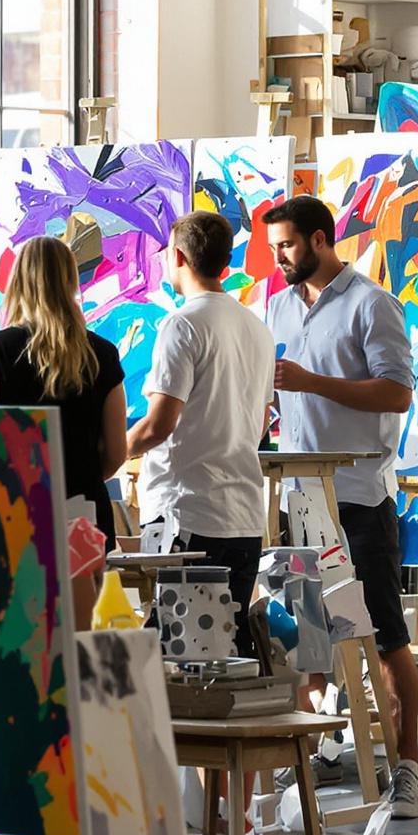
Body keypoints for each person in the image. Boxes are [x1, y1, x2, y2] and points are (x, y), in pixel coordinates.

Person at [262, 195, 418, 819]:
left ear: (320, 238)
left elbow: (396, 394)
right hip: (299, 495)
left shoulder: (370, 304)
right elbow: (276, 390)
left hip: (360, 495)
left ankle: (406, 764)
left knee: (385, 633)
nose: (278, 257)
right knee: (308, 640)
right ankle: (306, 760)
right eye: (274, 245)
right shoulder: (276, 305)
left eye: (287, 244)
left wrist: (311, 384)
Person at [128, 211, 273, 656]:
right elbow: (261, 420)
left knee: (177, 661)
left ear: (178, 257)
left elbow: (159, 423)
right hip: (244, 515)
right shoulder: (256, 327)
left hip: (189, 514)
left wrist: (106, 453)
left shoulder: (182, 324)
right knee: (224, 658)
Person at [0, 235, 128, 530]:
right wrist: (77, 479)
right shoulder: (103, 354)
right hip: (86, 515)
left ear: (17, 282)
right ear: (71, 282)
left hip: (14, 513)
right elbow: (117, 453)